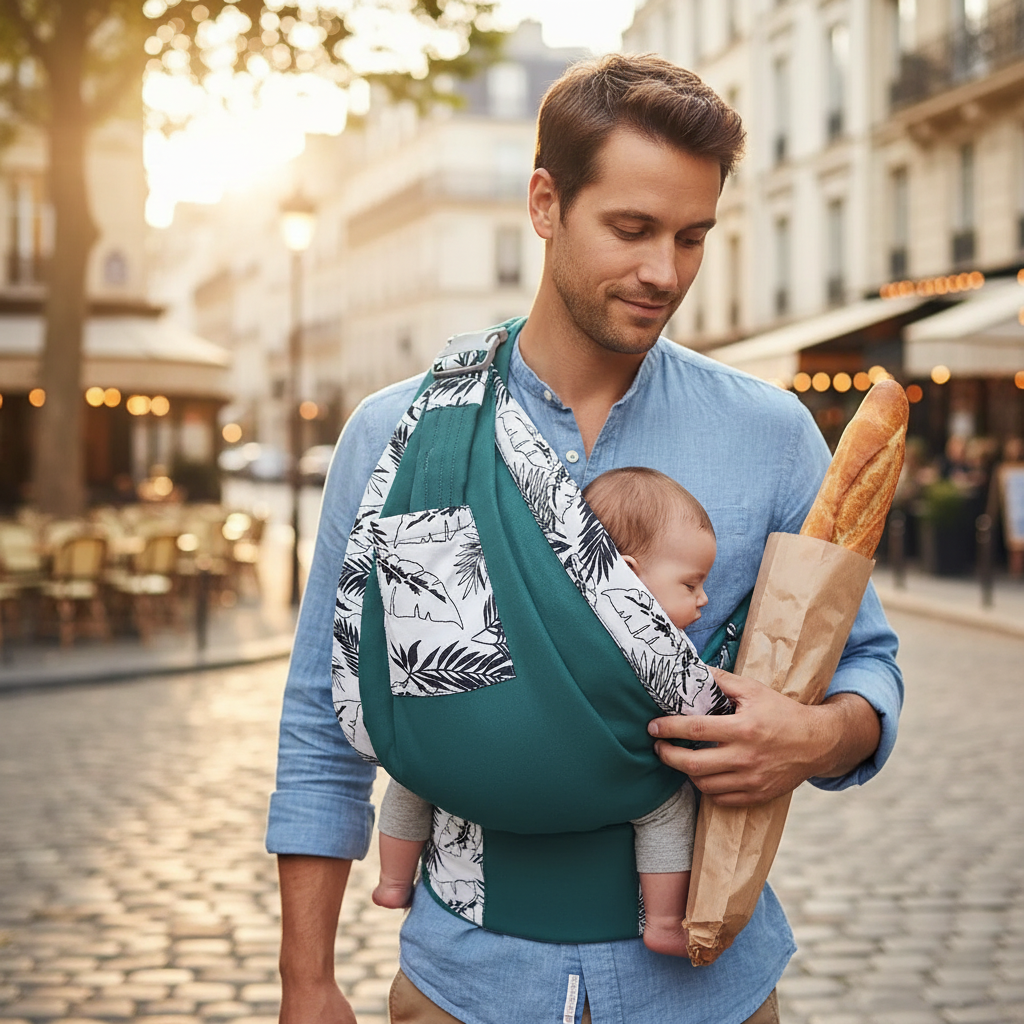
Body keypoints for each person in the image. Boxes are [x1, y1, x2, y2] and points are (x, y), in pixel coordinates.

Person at [268, 53, 903, 1024]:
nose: (665, 272)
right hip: (461, 986)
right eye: (632, 229)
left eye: (693, 238)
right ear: (543, 204)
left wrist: (817, 733)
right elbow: (325, 717)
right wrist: (306, 980)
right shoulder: (402, 436)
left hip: (707, 991)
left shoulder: (768, 433)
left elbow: (866, 662)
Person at [372, 467, 717, 960]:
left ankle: (391, 880)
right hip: (605, 779)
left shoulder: (536, 605)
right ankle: (663, 922)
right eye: (692, 583)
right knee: (668, 806)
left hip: (490, 754)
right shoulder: (658, 647)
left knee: (415, 774)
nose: (705, 597)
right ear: (631, 575)